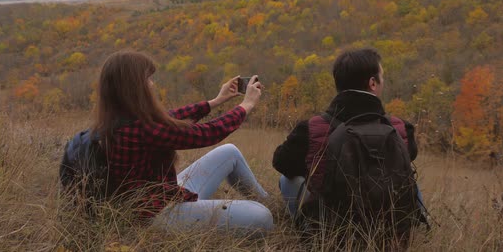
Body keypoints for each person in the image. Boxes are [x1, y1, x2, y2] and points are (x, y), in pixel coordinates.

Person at [92, 50, 273, 234]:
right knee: (262, 217)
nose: (152, 84)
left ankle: (267, 200)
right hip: (158, 214)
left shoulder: (118, 118)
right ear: (134, 86)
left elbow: (171, 118)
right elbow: (208, 133)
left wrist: (215, 101)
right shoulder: (141, 128)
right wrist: (246, 105)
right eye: (148, 79)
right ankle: (263, 208)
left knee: (229, 152)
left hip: (163, 194)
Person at [272, 48, 423, 237]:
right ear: (373, 83)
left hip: (331, 233)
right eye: (382, 77)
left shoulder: (311, 128)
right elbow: (410, 155)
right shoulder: (400, 129)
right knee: (409, 178)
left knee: (287, 179)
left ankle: (307, 229)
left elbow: (281, 162)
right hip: (389, 232)